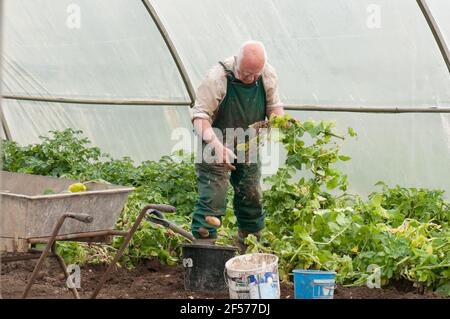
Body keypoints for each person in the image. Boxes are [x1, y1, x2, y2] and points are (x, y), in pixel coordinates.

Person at [190, 40, 284, 251]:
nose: (250, 79)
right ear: (236, 62)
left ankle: (250, 247)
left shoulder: (267, 75)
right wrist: (216, 145)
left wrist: (278, 122)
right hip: (214, 141)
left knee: (250, 195)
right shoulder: (217, 78)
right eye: (245, 74)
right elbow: (199, 118)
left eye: (254, 75)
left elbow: (275, 108)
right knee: (212, 199)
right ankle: (203, 250)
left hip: (247, 144)